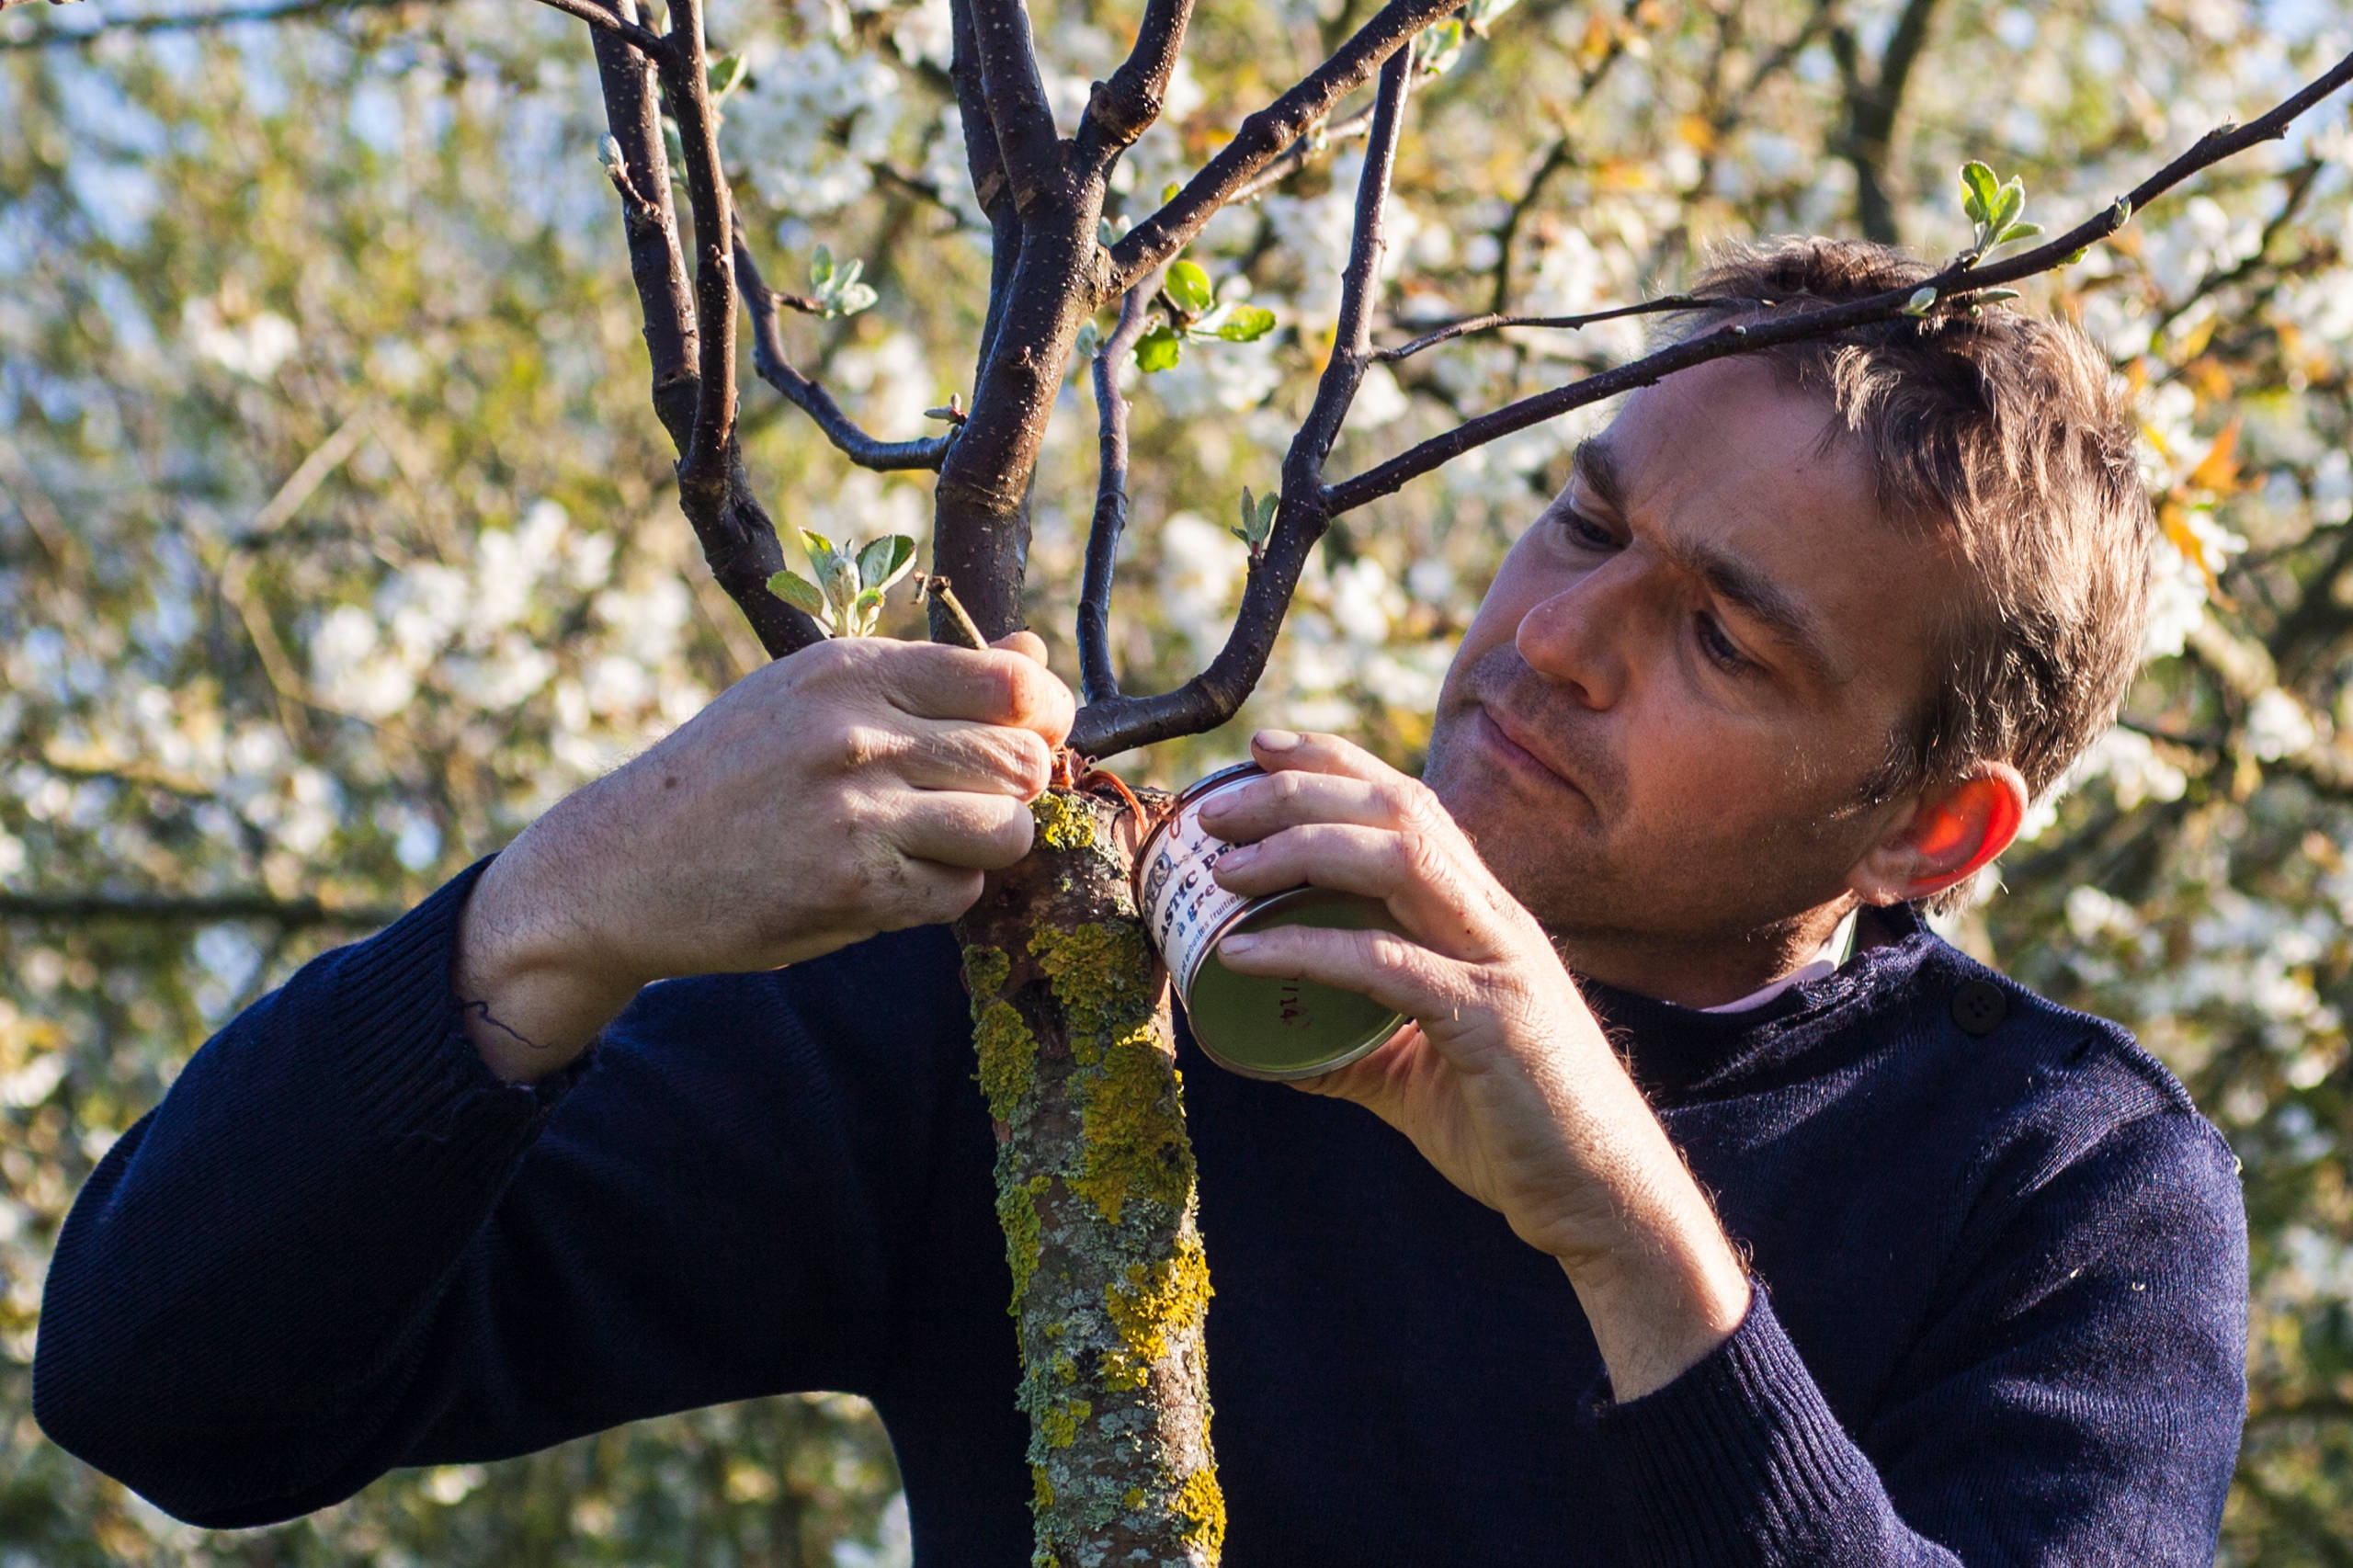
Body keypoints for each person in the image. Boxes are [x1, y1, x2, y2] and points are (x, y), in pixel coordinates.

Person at [34, 239, 2246, 1565]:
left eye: (1722, 638)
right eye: (1580, 524)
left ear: (1928, 834)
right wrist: (556, 909)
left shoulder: (2064, 1179)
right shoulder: (1090, 980)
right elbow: (172, 1386)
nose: (1555, 638)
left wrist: (1612, 1214)